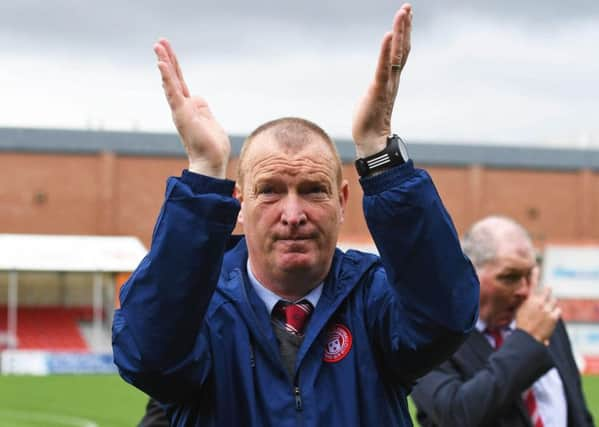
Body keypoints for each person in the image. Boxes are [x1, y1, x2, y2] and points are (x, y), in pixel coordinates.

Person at [113, 4, 480, 426]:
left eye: (312, 191)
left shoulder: (374, 298)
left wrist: (380, 153)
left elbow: (445, 319)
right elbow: (147, 356)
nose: (293, 214)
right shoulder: (201, 307)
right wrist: (203, 174)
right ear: (239, 203)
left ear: (343, 201)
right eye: (269, 192)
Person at [411, 216, 594, 427]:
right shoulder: (430, 337)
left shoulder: (547, 321)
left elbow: (578, 412)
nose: (524, 290)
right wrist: (525, 342)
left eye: (529, 275)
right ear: (467, 274)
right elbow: (456, 415)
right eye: (509, 277)